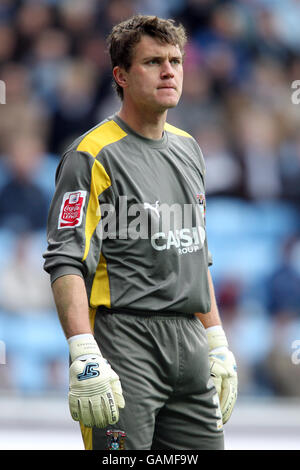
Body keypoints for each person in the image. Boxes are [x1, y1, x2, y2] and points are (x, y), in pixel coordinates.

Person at [43, 15, 237, 451]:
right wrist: (84, 352)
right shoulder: (90, 156)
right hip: (125, 343)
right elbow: (65, 259)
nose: (170, 71)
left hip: (190, 343)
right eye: (153, 62)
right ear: (122, 76)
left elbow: (195, 249)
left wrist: (217, 340)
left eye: (176, 60)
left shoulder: (189, 148)